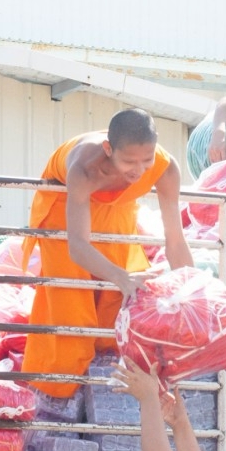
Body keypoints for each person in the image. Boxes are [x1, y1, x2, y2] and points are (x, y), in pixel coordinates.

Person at [20, 109, 193, 396]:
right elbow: (78, 246)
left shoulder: (165, 168)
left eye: (146, 160)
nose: (139, 170)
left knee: (115, 305)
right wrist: (122, 277)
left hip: (117, 212)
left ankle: (103, 395)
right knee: (71, 310)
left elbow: (175, 240)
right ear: (108, 149)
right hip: (65, 215)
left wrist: (194, 290)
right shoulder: (84, 167)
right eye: (129, 162)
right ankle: (57, 399)